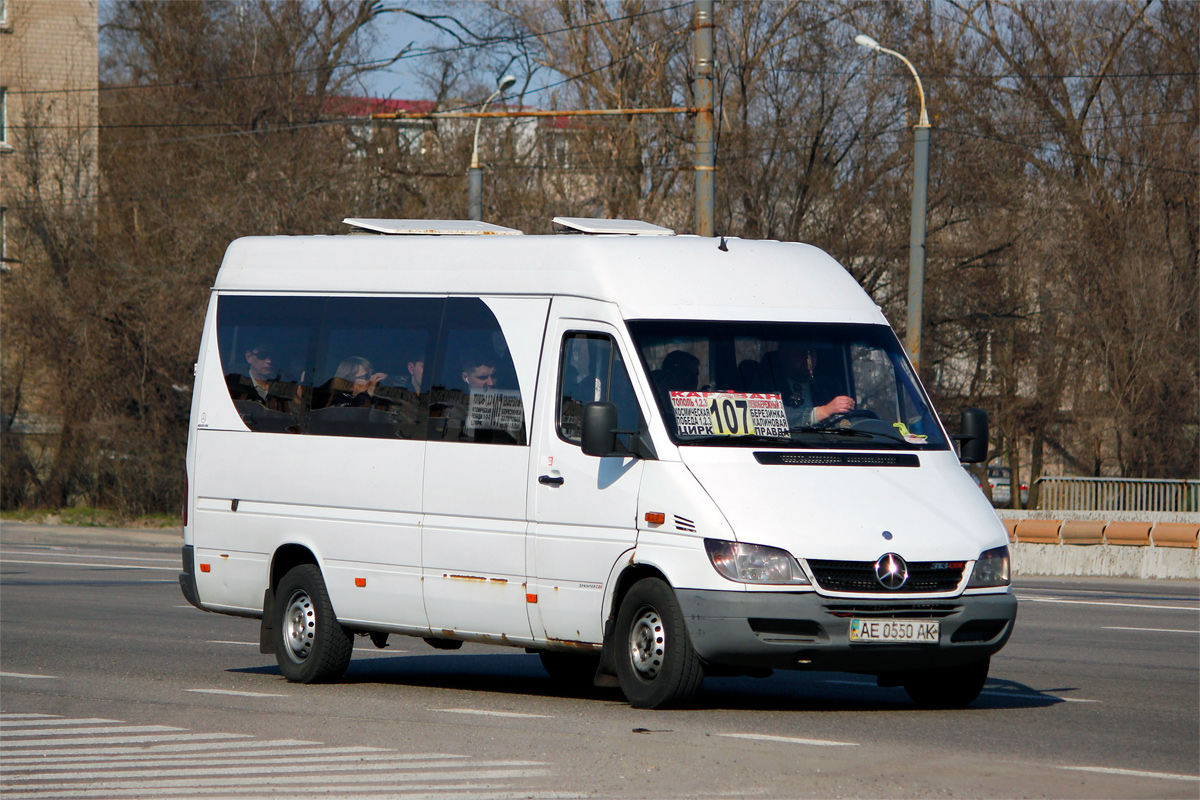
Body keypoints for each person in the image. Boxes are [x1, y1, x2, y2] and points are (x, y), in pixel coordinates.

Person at [774, 341, 855, 425]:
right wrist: (823, 412)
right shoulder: (767, 384)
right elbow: (771, 417)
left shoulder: (828, 387)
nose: (808, 361)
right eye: (801, 354)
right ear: (784, 355)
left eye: (812, 354)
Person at [225, 341, 293, 413]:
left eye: (273, 356)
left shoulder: (284, 387)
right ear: (249, 357)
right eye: (262, 355)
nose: (269, 361)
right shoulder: (234, 385)